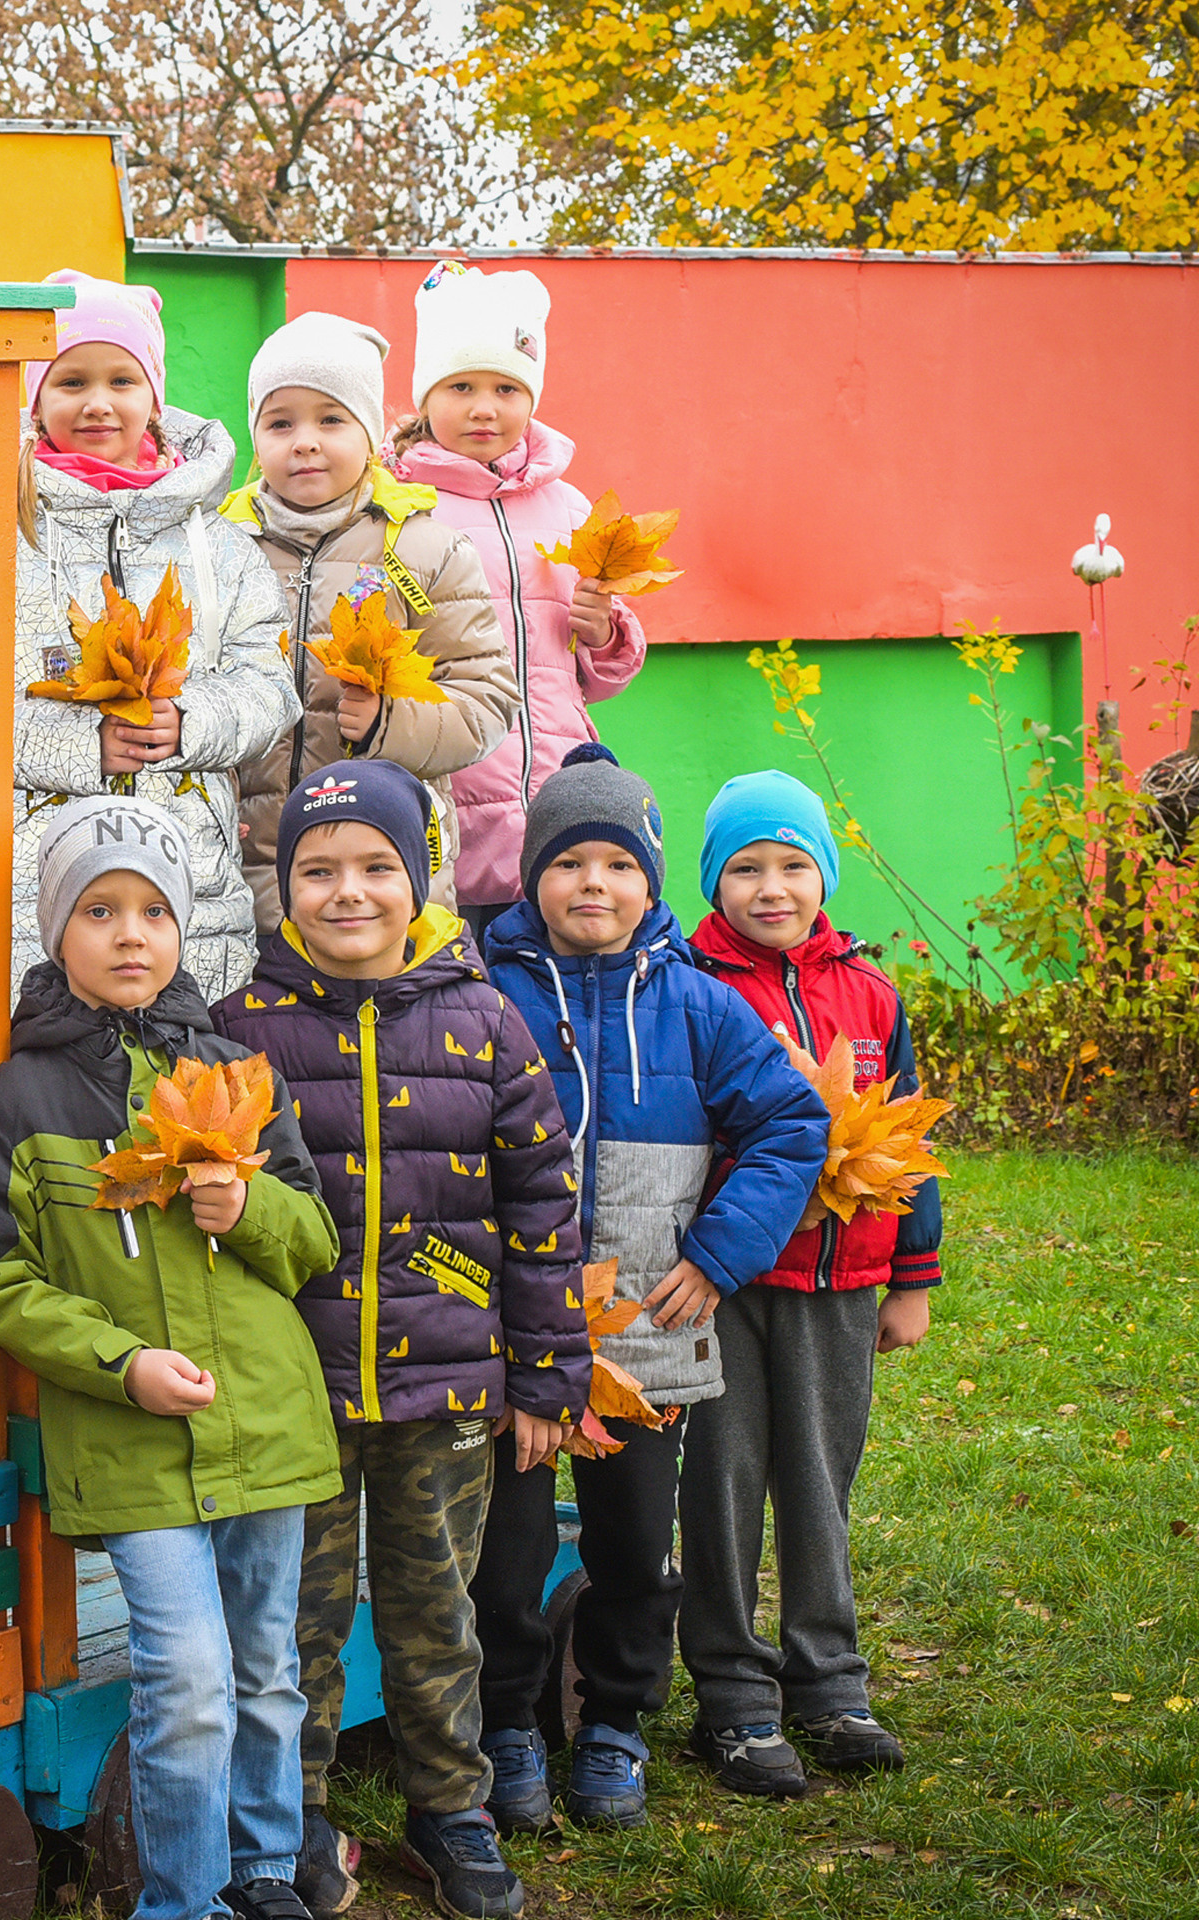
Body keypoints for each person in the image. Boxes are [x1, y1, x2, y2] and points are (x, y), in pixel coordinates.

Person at [215, 760, 585, 1920]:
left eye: (376, 868)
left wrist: (546, 1375)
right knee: (295, 1622)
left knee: (436, 1614)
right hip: (296, 1399)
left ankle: (450, 1804)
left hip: (449, 1393)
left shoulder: (484, 1019)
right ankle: (299, 1811)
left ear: (418, 878)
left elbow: (542, 1209)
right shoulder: (241, 1030)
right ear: (283, 891)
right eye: (317, 872)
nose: (347, 894)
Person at [0, 795, 341, 1920]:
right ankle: (183, 1900)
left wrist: (250, 1202)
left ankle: (267, 1872)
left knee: (267, 1674)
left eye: (152, 912)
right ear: (54, 931)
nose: (130, 934)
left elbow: (315, 1241)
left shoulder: (236, 1069)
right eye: (97, 909)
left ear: (182, 929)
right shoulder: (20, 1097)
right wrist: (121, 1363)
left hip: (263, 1423)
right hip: (134, 1441)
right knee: (185, 1684)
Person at [467, 745, 826, 1832]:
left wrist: (718, 1254)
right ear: (530, 874)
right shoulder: (480, 995)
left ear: (651, 881)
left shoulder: (698, 1004)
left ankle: (616, 1719)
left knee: (631, 1540)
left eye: (617, 865)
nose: (593, 885)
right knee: (507, 1549)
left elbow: (789, 1123)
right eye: (568, 861)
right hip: (512, 1330)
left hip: (650, 1330)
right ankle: (510, 1724)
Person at [0, 270, 296, 1006]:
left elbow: (270, 689)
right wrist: (80, 745)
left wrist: (189, 723)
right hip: (36, 906)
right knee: (53, 1108)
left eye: (122, 379)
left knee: (189, 1105)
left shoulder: (222, 547)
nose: (97, 402)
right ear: (34, 400)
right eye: (70, 381)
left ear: (154, 396)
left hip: (194, 901)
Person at [679, 770, 942, 1794]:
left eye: (793, 864)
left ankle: (830, 1680)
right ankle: (732, 1694)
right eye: (743, 868)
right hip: (727, 1283)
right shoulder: (691, 984)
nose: (770, 887)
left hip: (841, 1280)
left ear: (822, 874)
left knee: (820, 1484)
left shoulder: (871, 994)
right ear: (712, 881)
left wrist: (910, 1278)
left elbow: (908, 1142)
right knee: (725, 1481)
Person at [224, 312, 515, 925]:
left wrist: (390, 723)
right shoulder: (222, 549)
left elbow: (486, 699)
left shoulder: (426, 551)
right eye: (280, 423)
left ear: (372, 433)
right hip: (247, 863)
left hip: (388, 865)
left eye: (331, 419)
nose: (304, 440)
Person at [386, 263, 648, 940]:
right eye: (461, 386)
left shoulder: (569, 508)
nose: (484, 407)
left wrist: (606, 635)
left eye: (507, 387)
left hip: (554, 803)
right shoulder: (398, 505)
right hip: (446, 793)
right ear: (425, 396)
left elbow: (598, 673)